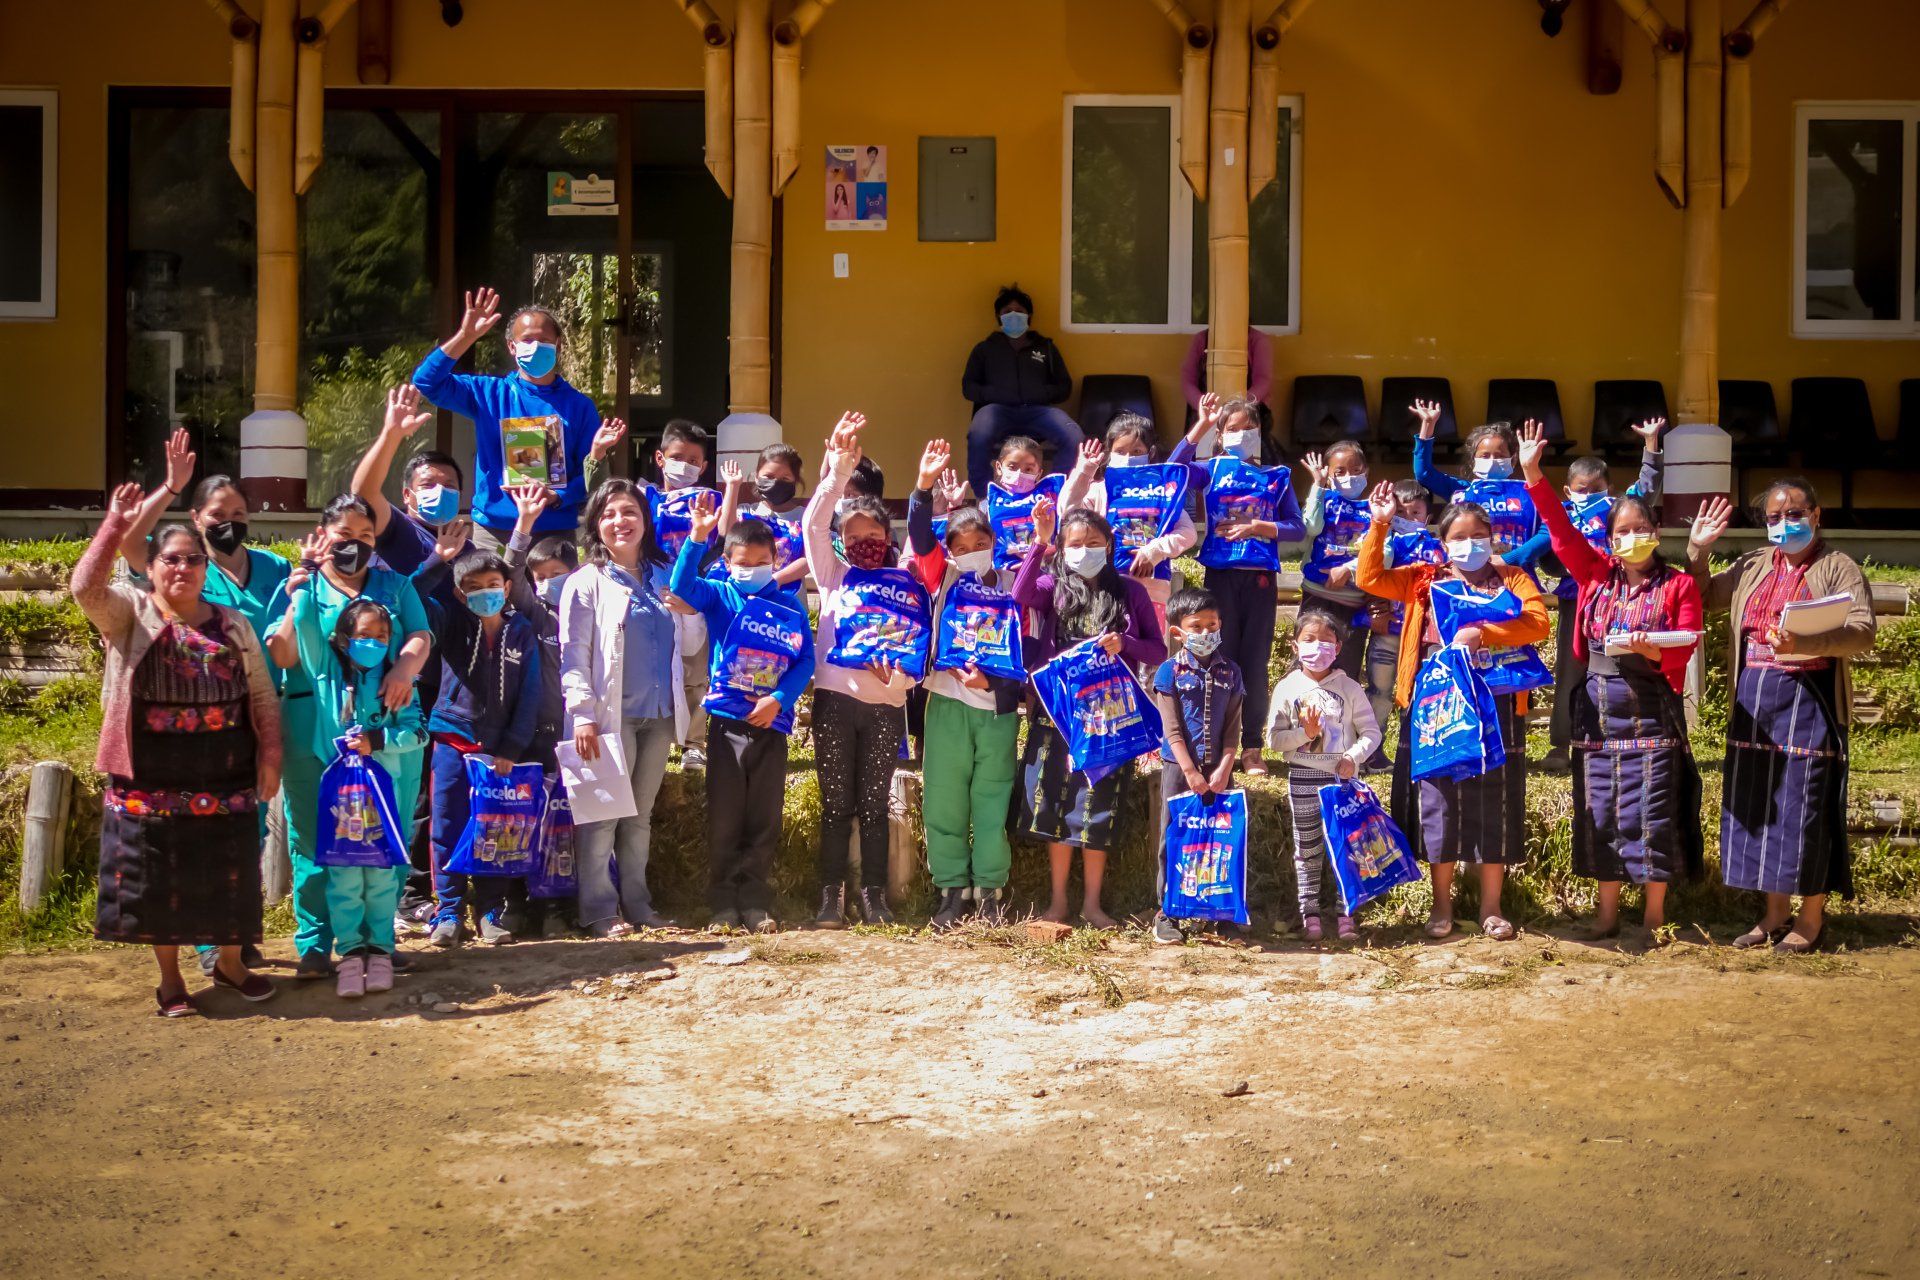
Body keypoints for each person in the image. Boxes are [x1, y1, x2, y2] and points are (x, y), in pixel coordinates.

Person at [72, 486, 281, 1016]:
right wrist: (114, 527)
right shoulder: (128, 614)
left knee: (231, 871)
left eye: (193, 559)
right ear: (153, 565)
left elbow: (261, 694)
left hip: (226, 768)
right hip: (149, 771)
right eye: (172, 559)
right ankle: (170, 981)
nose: (183, 567)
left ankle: (231, 965)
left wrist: (270, 755)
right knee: (158, 875)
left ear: (205, 567)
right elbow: (84, 588)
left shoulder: (233, 625)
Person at [116, 429, 287, 973]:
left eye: (239, 511)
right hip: (187, 731)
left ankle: (233, 931)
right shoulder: (179, 568)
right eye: (217, 511)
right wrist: (168, 486)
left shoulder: (277, 570)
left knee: (247, 834)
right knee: (194, 838)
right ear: (196, 518)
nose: (229, 521)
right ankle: (209, 941)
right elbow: (127, 542)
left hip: (255, 718)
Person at [1519, 434, 1702, 944]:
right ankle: (1605, 915)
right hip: (1597, 711)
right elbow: (1557, 530)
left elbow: (1684, 647)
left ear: (1656, 530)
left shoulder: (1678, 585)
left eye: (1641, 528)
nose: (1633, 536)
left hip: (1652, 710)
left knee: (1653, 811)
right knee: (1600, 807)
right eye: (1623, 530)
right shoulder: (1596, 575)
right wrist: (1533, 474)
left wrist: (1653, 651)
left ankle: (1653, 917)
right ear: (1611, 537)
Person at [1687, 481, 1877, 953]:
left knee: (1803, 808)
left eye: (1794, 513)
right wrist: (1697, 551)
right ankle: (1773, 913)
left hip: (1810, 699)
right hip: (1754, 700)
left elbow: (1862, 631)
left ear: (1816, 514)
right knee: (1760, 805)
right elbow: (1702, 596)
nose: (1784, 522)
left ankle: (1810, 916)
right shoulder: (1752, 565)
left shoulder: (1838, 567)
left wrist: (1803, 645)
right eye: (1774, 516)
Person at [1356, 483, 1550, 941]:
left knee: (1495, 800)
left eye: (1478, 535)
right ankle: (1440, 906)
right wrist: (1380, 524)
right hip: (1438, 705)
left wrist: (1484, 631)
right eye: (1458, 538)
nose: (1469, 544)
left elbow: (1538, 623)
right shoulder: (1425, 578)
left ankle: (1490, 907)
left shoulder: (1513, 577)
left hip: (1498, 701)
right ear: (1444, 544)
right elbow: (1369, 579)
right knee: (1440, 802)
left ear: (1492, 537)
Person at [265, 494, 434, 978]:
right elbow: (281, 654)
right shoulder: (303, 585)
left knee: (389, 833)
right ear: (324, 537)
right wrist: (298, 592)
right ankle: (317, 945)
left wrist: (404, 667)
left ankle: (376, 942)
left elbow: (421, 635)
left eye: (366, 536)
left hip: (386, 726)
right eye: (345, 536)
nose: (355, 545)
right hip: (312, 729)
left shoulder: (395, 586)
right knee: (314, 838)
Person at [1012, 498, 1168, 929]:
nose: (1085, 549)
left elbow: (1157, 648)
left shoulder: (1130, 592)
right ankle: (1059, 902)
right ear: (1064, 548)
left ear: (1110, 544)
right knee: (1056, 806)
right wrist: (1040, 545)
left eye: (1094, 542)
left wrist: (1127, 645)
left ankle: (1093, 905)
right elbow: (1019, 595)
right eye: (1075, 543)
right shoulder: (1053, 586)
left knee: (1098, 808)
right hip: (1056, 715)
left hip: (1109, 720)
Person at [670, 492, 816, 932]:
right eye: (741, 561)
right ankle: (722, 902)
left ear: (775, 559)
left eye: (759, 560)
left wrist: (779, 700)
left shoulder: (790, 604)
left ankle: (755, 899)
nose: (749, 568)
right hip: (727, 724)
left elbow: (805, 660)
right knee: (726, 815)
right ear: (728, 562)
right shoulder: (718, 594)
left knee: (764, 816)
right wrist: (696, 539)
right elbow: (681, 588)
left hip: (771, 725)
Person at [558, 478, 687, 937]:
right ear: (596, 524)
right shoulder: (585, 582)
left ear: (645, 520)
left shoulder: (663, 574)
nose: (620, 522)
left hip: (658, 717)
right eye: (609, 514)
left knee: (639, 817)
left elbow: (685, 640)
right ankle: (598, 911)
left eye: (629, 511)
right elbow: (573, 655)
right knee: (601, 816)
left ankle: (639, 905)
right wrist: (583, 715)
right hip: (608, 719)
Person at [284, 587, 427, 996]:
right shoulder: (325, 675)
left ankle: (381, 950)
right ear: (344, 640)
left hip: (383, 800)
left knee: (382, 876)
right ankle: (349, 954)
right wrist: (309, 576)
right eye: (365, 636)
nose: (374, 644)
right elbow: (308, 624)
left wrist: (378, 741)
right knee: (343, 877)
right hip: (341, 804)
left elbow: (418, 732)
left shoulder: (397, 686)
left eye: (383, 638)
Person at [906, 443, 1025, 931]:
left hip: (996, 709)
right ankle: (951, 889)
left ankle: (990, 890)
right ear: (949, 552)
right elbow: (918, 535)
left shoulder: (1017, 581)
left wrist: (994, 684)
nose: (971, 553)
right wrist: (922, 487)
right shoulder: (945, 575)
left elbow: (1027, 652)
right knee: (944, 797)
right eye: (961, 547)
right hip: (947, 702)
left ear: (993, 542)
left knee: (992, 798)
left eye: (980, 544)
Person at [803, 413, 912, 928]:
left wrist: (900, 681)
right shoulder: (832, 576)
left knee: (873, 806)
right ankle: (830, 898)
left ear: (886, 536)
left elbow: (920, 646)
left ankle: (874, 896)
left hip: (887, 708)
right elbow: (811, 523)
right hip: (835, 703)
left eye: (872, 533)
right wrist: (838, 472)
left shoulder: (906, 583)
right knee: (834, 804)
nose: (862, 541)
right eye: (852, 534)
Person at [411, 541, 543, 948]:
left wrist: (512, 748)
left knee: (494, 829)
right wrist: (439, 559)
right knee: (447, 825)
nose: (484, 592)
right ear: (459, 593)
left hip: (497, 754)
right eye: (473, 586)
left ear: (507, 588)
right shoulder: (448, 620)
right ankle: (448, 909)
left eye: (492, 584)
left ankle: (490, 909)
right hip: (453, 741)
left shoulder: (521, 631)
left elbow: (530, 694)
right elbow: (410, 596)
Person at [1169, 392, 1307, 776]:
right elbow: (1173, 470)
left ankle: (1251, 748)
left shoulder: (1275, 476)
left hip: (1260, 578)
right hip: (1220, 576)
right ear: (1221, 434)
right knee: (1219, 659)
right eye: (1233, 428)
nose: (1243, 433)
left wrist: (1259, 527)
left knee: (1255, 665)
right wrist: (1199, 425)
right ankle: (1213, 744)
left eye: (1251, 427)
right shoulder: (1211, 469)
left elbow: (1297, 527)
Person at [411, 286, 610, 544]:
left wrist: (558, 496)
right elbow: (427, 383)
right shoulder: (489, 394)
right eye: (527, 340)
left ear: (558, 345)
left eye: (544, 340)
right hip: (495, 532)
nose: (536, 346)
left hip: (553, 534)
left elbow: (591, 476)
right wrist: (465, 336)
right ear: (512, 347)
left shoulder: (580, 406)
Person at [1540, 419, 1667, 773]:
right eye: (1583, 489)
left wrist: (1651, 448)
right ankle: (1561, 745)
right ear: (1568, 490)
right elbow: (1548, 557)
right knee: (1570, 673)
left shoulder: (1615, 512)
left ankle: (1612, 739)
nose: (1590, 494)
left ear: (1610, 489)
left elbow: (1646, 489)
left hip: (1619, 597)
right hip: (1575, 601)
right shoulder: (1564, 516)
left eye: (1598, 488)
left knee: (1618, 669)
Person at [1266, 609, 1381, 943]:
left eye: (1326, 641)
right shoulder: (1287, 688)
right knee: (1308, 848)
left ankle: (1347, 913)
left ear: (1339, 647)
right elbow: (1274, 741)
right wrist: (1305, 733)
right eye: (1309, 639)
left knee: (1346, 847)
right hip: (1302, 779)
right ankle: (1310, 913)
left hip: (1341, 783)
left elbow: (1371, 732)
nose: (1318, 647)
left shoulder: (1349, 687)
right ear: (1294, 646)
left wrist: (1352, 757)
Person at [501, 489, 583, 938]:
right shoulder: (535, 615)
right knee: (519, 820)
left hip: (569, 739)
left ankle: (554, 906)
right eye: (540, 576)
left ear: (577, 573)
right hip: (528, 737)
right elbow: (509, 573)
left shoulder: (587, 613)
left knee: (560, 827)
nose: (548, 581)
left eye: (558, 573)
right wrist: (524, 526)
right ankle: (515, 902)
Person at [1150, 589, 1243, 945]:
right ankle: (1167, 911)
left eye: (1212, 625)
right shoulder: (1168, 672)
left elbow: (1233, 727)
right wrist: (1190, 771)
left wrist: (1223, 768)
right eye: (1196, 626)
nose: (1205, 633)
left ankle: (1221, 913)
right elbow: (1171, 729)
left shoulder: (1231, 672)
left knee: (1221, 839)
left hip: (1220, 769)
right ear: (1178, 632)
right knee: (1173, 836)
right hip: (1179, 768)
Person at [1058, 414, 1200, 624]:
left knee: (1148, 651)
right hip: (1104, 589)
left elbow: (1188, 532)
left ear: (1150, 453)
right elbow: (1067, 513)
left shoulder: (1162, 491)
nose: (1128, 457)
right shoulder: (1098, 490)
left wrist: (1155, 551)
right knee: (1108, 650)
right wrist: (1084, 471)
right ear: (1109, 453)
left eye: (1136, 452)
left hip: (1152, 590)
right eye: (1120, 451)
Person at [960, 284, 1081, 495]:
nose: (1013, 316)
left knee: (1074, 436)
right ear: (999, 316)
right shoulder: (985, 349)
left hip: (1038, 412)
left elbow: (1065, 386)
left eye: (1020, 311)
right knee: (977, 434)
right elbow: (968, 387)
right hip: (998, 412)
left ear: (1029, 315)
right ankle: (985, 495)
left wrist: (1041, 393)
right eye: (1007, 312)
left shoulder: (1046, 348)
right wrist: (995, 394)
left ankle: (1056, 493)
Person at [648, 418, 718, 772]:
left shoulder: (709, 503)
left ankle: (694, 742)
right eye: (678, 457)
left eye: (694, 460)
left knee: (695, 670)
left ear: (704, 467)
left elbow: (720, 547)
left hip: (693, 599)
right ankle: (658, 737)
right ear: (660, 459)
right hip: (654, 593)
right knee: (658, 667)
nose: (686, 466)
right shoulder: (644, 498)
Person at [1410, 401, 1550, 577]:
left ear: (1512, 460)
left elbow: (1549, 531)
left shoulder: (1529, 490)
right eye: (1485, 455)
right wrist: (1428, 425)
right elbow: (1423, 473)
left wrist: (1509, 558)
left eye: (1500, 456)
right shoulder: (1462, 491)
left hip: (1519, 577)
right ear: (1473, 460)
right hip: (1470, 580)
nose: (1492, 459)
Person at [1374, 480, 1445, 798]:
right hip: (1388, 632)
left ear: (1428, 518)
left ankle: (1416, 750)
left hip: (1418, 638)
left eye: (1414, 512)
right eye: (1400, 511)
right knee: (1379, 691)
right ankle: (1372, 750)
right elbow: (1370, 578)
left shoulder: (1437, 548)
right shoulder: (1383, 541)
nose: (1406, 516)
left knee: (1415, 696)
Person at [1298, 439, 1377, 677]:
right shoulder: (1324, 499)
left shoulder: (1375, 508)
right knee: (1309, 664)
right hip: (1316, 596)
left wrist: (1350, 569)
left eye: (1356, 470)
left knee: (1346, 669)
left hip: (1352, 602)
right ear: (1329, 474)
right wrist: (1318, 487)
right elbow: (1310, 527)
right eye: (1340, 471)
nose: (1349, 476)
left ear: (1366, 472)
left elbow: (1383, 550)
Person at [717, 442, 810, 596]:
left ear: (795, 481)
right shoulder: (746, 511)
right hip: (742, 598)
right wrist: (733, 486)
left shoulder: (805, 516)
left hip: (788, 601)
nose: (775, 482)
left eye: (785, 478)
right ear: (757, 475)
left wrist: (775, 580)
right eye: (769, 476)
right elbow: (725, 531)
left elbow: (810, 559)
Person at [1180, 327, 1272, 412]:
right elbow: (1187, 379)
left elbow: (1262, 381)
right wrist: (1201, 404)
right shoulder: (1201, 339)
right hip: (1206, 411)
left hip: (1248, 411)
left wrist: (1239, 406)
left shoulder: (1257, 340)